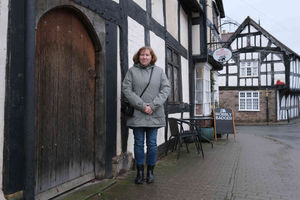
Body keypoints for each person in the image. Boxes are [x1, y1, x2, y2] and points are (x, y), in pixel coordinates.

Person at [122, 46, 170, 184]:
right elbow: (126, 89)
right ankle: (139, 173)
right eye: (142, 55)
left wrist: (153, 106)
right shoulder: (132, 71)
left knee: (152, 144)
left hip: (154, 114)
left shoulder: (159, 72)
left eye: (147, 55)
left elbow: (166, 89)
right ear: (138, 56)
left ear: (152, 57)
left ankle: (150, 172)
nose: (144, 57)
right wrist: (143, 106)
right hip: (138, 114)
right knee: (138, 144)